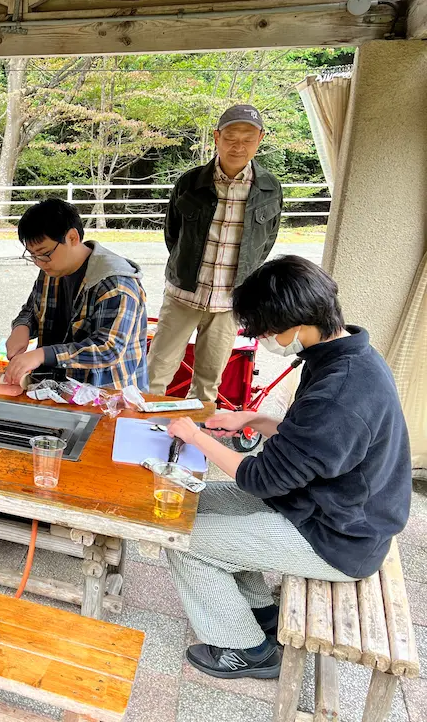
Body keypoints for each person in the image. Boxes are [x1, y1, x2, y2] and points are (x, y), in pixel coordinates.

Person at [163, 256, 412, 680]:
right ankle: (263, 612)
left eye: (264, 331)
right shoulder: (345, 356)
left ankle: (248, 651)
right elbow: (315, 442)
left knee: (181, 538)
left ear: (297, 324)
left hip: (339, 536)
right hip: (323, 503)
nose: (262, 339)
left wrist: (196, 436)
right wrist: (255, 420)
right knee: (190, 504)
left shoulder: (340, 391)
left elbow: (262, 479)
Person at [148, 104, 283, 402]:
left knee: (209, 382)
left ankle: (193, 431)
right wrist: (185, 268)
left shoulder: (269, 188)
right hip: (183, 295)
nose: (238, 146)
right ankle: (142, 427)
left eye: (248, 139)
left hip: (229, 301)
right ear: (217, 137)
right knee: (155, 372)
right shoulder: (191, 182)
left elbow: (265, 242)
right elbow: (173, 234)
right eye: (231, 137)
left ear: (260, 139)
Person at [4, 198, 148, 390]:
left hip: (108, 392)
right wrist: (21, 327)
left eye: (44, 253)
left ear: (72, 238)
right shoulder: (52, 269)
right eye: (32, 255)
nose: (39, 262)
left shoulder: (115, 283)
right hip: (60, 385)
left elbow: (108, 349)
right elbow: (33, 309)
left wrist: (42, 355)